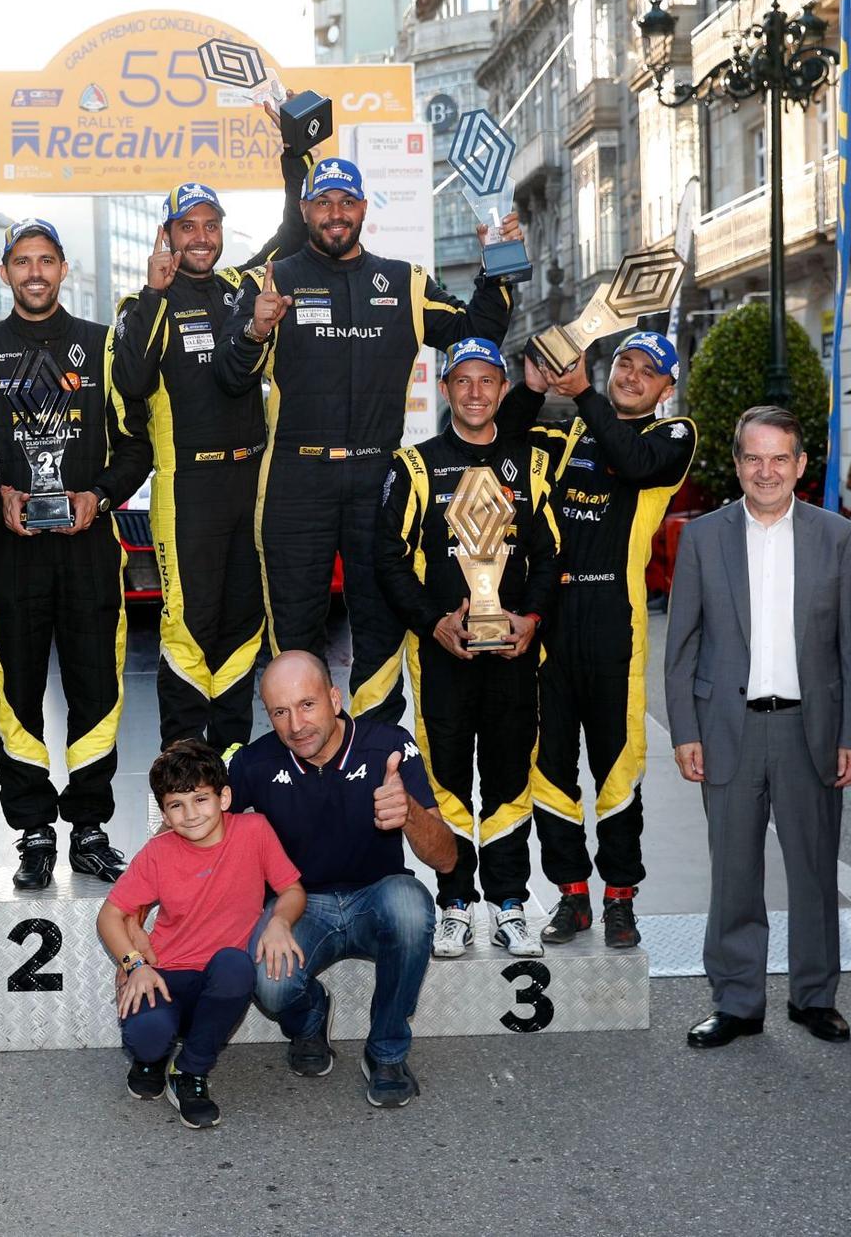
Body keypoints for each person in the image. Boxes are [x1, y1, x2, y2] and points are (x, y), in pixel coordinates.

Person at [216, 157, 519, 725]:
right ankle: (302, 759)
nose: (336, 214)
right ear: (305, 210)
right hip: (294, 483)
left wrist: (495, 266)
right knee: (295, 626)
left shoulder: (403, 280)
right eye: (323, 203)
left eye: (346, 202)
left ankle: (376, 754)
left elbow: (476, 335)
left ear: (362, 209)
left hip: (378, 478)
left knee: (380, 620)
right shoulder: (272, 278)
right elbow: (231, 378)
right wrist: (256, 328)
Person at [0, 219, 152, 889]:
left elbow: (138, 446)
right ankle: (32, 831)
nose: (35, 272)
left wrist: (101, 494)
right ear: (3, 272)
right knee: (17, 693)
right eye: (21, 261)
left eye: (46, 260)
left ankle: (90, 828)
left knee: (98, 689)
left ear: (65, 269)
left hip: (89, 549)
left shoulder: (104, 346)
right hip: (9, 556)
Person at [665, 405, 851, 1049]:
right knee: (733, 872)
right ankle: (736, 1001)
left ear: (801, 465)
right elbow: (683, 645)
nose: (767, 470)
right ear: (737, 464)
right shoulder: (703, 538)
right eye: (754, 458)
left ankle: (814, 997)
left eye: (780, 458)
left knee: (814, 870)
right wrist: (684, 731)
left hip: (812, 726)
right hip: (729, 727)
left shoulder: (838, 536)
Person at [495, 332, 696, 948]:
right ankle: (571, 895)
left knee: (618, 767)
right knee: (549, 766)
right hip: (551, 618)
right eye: (624, 365)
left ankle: (620, 898)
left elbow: (632, 463)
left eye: (648, 372)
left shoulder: (675, 436)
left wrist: (582, 392)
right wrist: (533, 387)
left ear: (666, 388)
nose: (633, 376)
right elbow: (502, 444)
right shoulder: (567, 434)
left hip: (617, 618)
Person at [110, 146, 309, 752]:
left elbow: (294, 229)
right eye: (187, 226)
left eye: (211, 225)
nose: (201, 237)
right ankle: (183, 775)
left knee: (244, 629)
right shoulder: (143, 304)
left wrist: (295, 156)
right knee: (189, 632)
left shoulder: (242, 289)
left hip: (250, 485)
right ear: (166, 235)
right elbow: (132, 383)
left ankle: (230, 770)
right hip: (187, 489)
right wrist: (152, 293)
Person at [375, 338, 556, 960]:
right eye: (463, 381)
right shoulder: (414, 466)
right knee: (447, 775)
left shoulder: (530, 465)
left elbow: (550, 557)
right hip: (443, 658)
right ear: (445, 389)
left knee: (508, 775)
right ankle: (454, 900)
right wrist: (434, 623)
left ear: (503, 390)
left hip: (512, 656)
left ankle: (508, 902)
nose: (476, 392)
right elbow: (389, 563)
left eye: (488, 381)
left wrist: (530, 619)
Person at [229, 651, 454, 1108]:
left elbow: (446, 859)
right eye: (280, 712)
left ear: (334, 698)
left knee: (412, 908)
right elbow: (214, 845)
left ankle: (387, 1051)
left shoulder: (388, 746)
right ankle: (310, 1017)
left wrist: (408, 811)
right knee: (267, 980)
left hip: (378, 898)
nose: (296, 725)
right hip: (301, 904)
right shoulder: (253, 763)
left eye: (307, 704)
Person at [97, 739, 306, 1129]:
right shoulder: (159, 852)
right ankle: (153, 1057)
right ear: (164, 812)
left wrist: (280, 921)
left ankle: (190, 1073)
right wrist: (135, 963)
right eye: (176, 805)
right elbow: (110, 915)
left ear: (224, 797)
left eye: (200, 799)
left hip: (217, 983)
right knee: (147, 1039)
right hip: (164, 975)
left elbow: (292, 889)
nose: (190, 814)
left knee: (235, 965)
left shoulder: (254, 831)